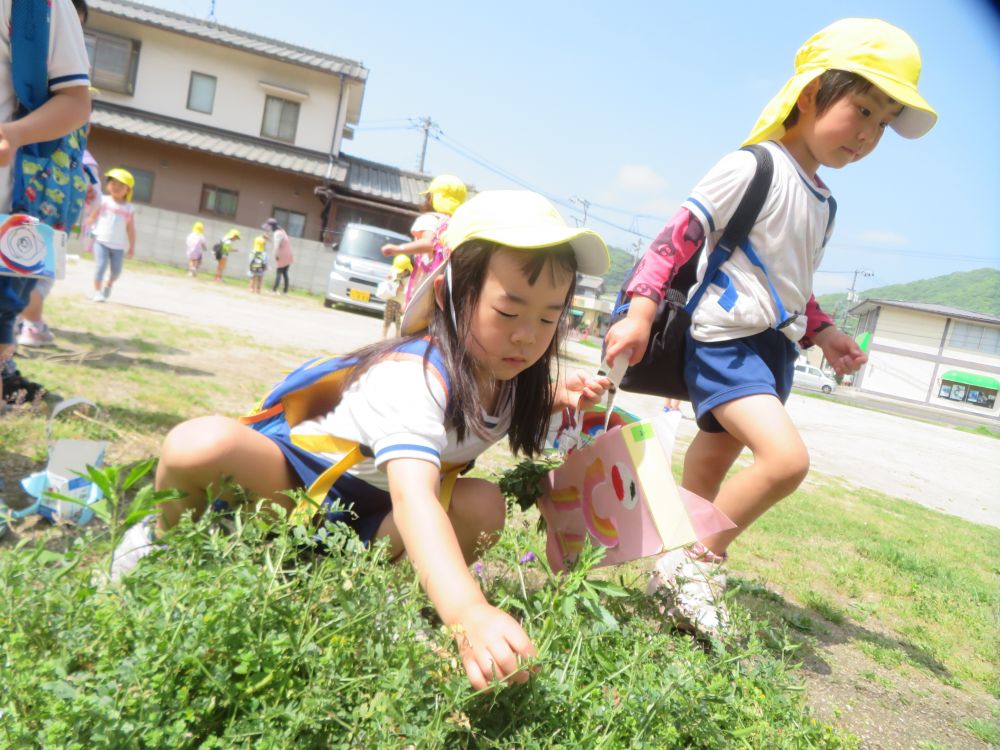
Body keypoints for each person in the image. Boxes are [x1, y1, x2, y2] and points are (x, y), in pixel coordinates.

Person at [111, 190, 612, 691]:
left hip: (367, 518)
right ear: (448, 295)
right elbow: (415, 500)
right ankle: (164, 549)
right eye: (509, 312)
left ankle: (373, 598)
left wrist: (558, 394)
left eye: (549, 318)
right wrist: (469, 612)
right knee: (199, 445)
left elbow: (493, 414)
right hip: (290, 485)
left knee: (483, 505)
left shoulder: (506, 377)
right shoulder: (412, 378)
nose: (527, 336)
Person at [604, 18, 936, 637]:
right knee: (785, 461)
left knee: (712, 462)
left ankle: (684, 579)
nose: (867, 135)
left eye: (882, 125)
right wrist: (640, 308)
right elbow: (678, 238)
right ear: (810, 94)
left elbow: (794, 283)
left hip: (772, 348)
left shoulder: (824, 200)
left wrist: (824, 332)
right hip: (726, 339)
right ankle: (690, 569)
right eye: (861, 110)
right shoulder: (753, 166)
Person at [0, 0, 91, 401]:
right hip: (30, 208)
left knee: (22, 288)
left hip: (29, 205)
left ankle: (11, 349)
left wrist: (15, 134)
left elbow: (74, 104)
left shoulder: (38, 9)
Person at [381, 174, 467, 303]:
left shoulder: (429, 219)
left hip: (426, 285)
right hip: (449, 287)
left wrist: (398, 249)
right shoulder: (460, 224)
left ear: (431, 197)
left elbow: (428, 243)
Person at [87, 168, 136, 302]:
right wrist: (89, 230)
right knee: (101, 265)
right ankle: (97, 292)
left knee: (116, 271)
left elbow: (131, 229)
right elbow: (92, 217)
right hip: (101, 241)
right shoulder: (104, 201)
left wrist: (131, 246)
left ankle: (109, 284)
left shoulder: (129, 208)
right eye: (113, 183)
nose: (116, 187)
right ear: (108, 185)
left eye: (121, 185)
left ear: (128, 190)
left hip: (118, 246)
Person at [381, 253, 412, 339]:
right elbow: (388, 281)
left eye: (400, 271)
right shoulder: (395, 272)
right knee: (387, 319)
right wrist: (388, 279)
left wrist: (400, 287)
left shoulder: (409, 278)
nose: (398, 272)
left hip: (401, 302)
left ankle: (397, 338)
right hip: (391, 299)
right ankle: (383, 337)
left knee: (399, 322)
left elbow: (407, 290)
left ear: (406, 270)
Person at [264, 217, 293, 294]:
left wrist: (275, 255)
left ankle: (274, 290)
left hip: (283, 254)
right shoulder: (282, 231)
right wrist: (269, 239)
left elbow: (277, 245)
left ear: (271, 226)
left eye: (268, 226)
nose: (268, 228)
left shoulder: (277, 233)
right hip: (288, 253)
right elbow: (280, 242)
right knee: (285, 272)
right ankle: (285, 291)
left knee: (279, 272)